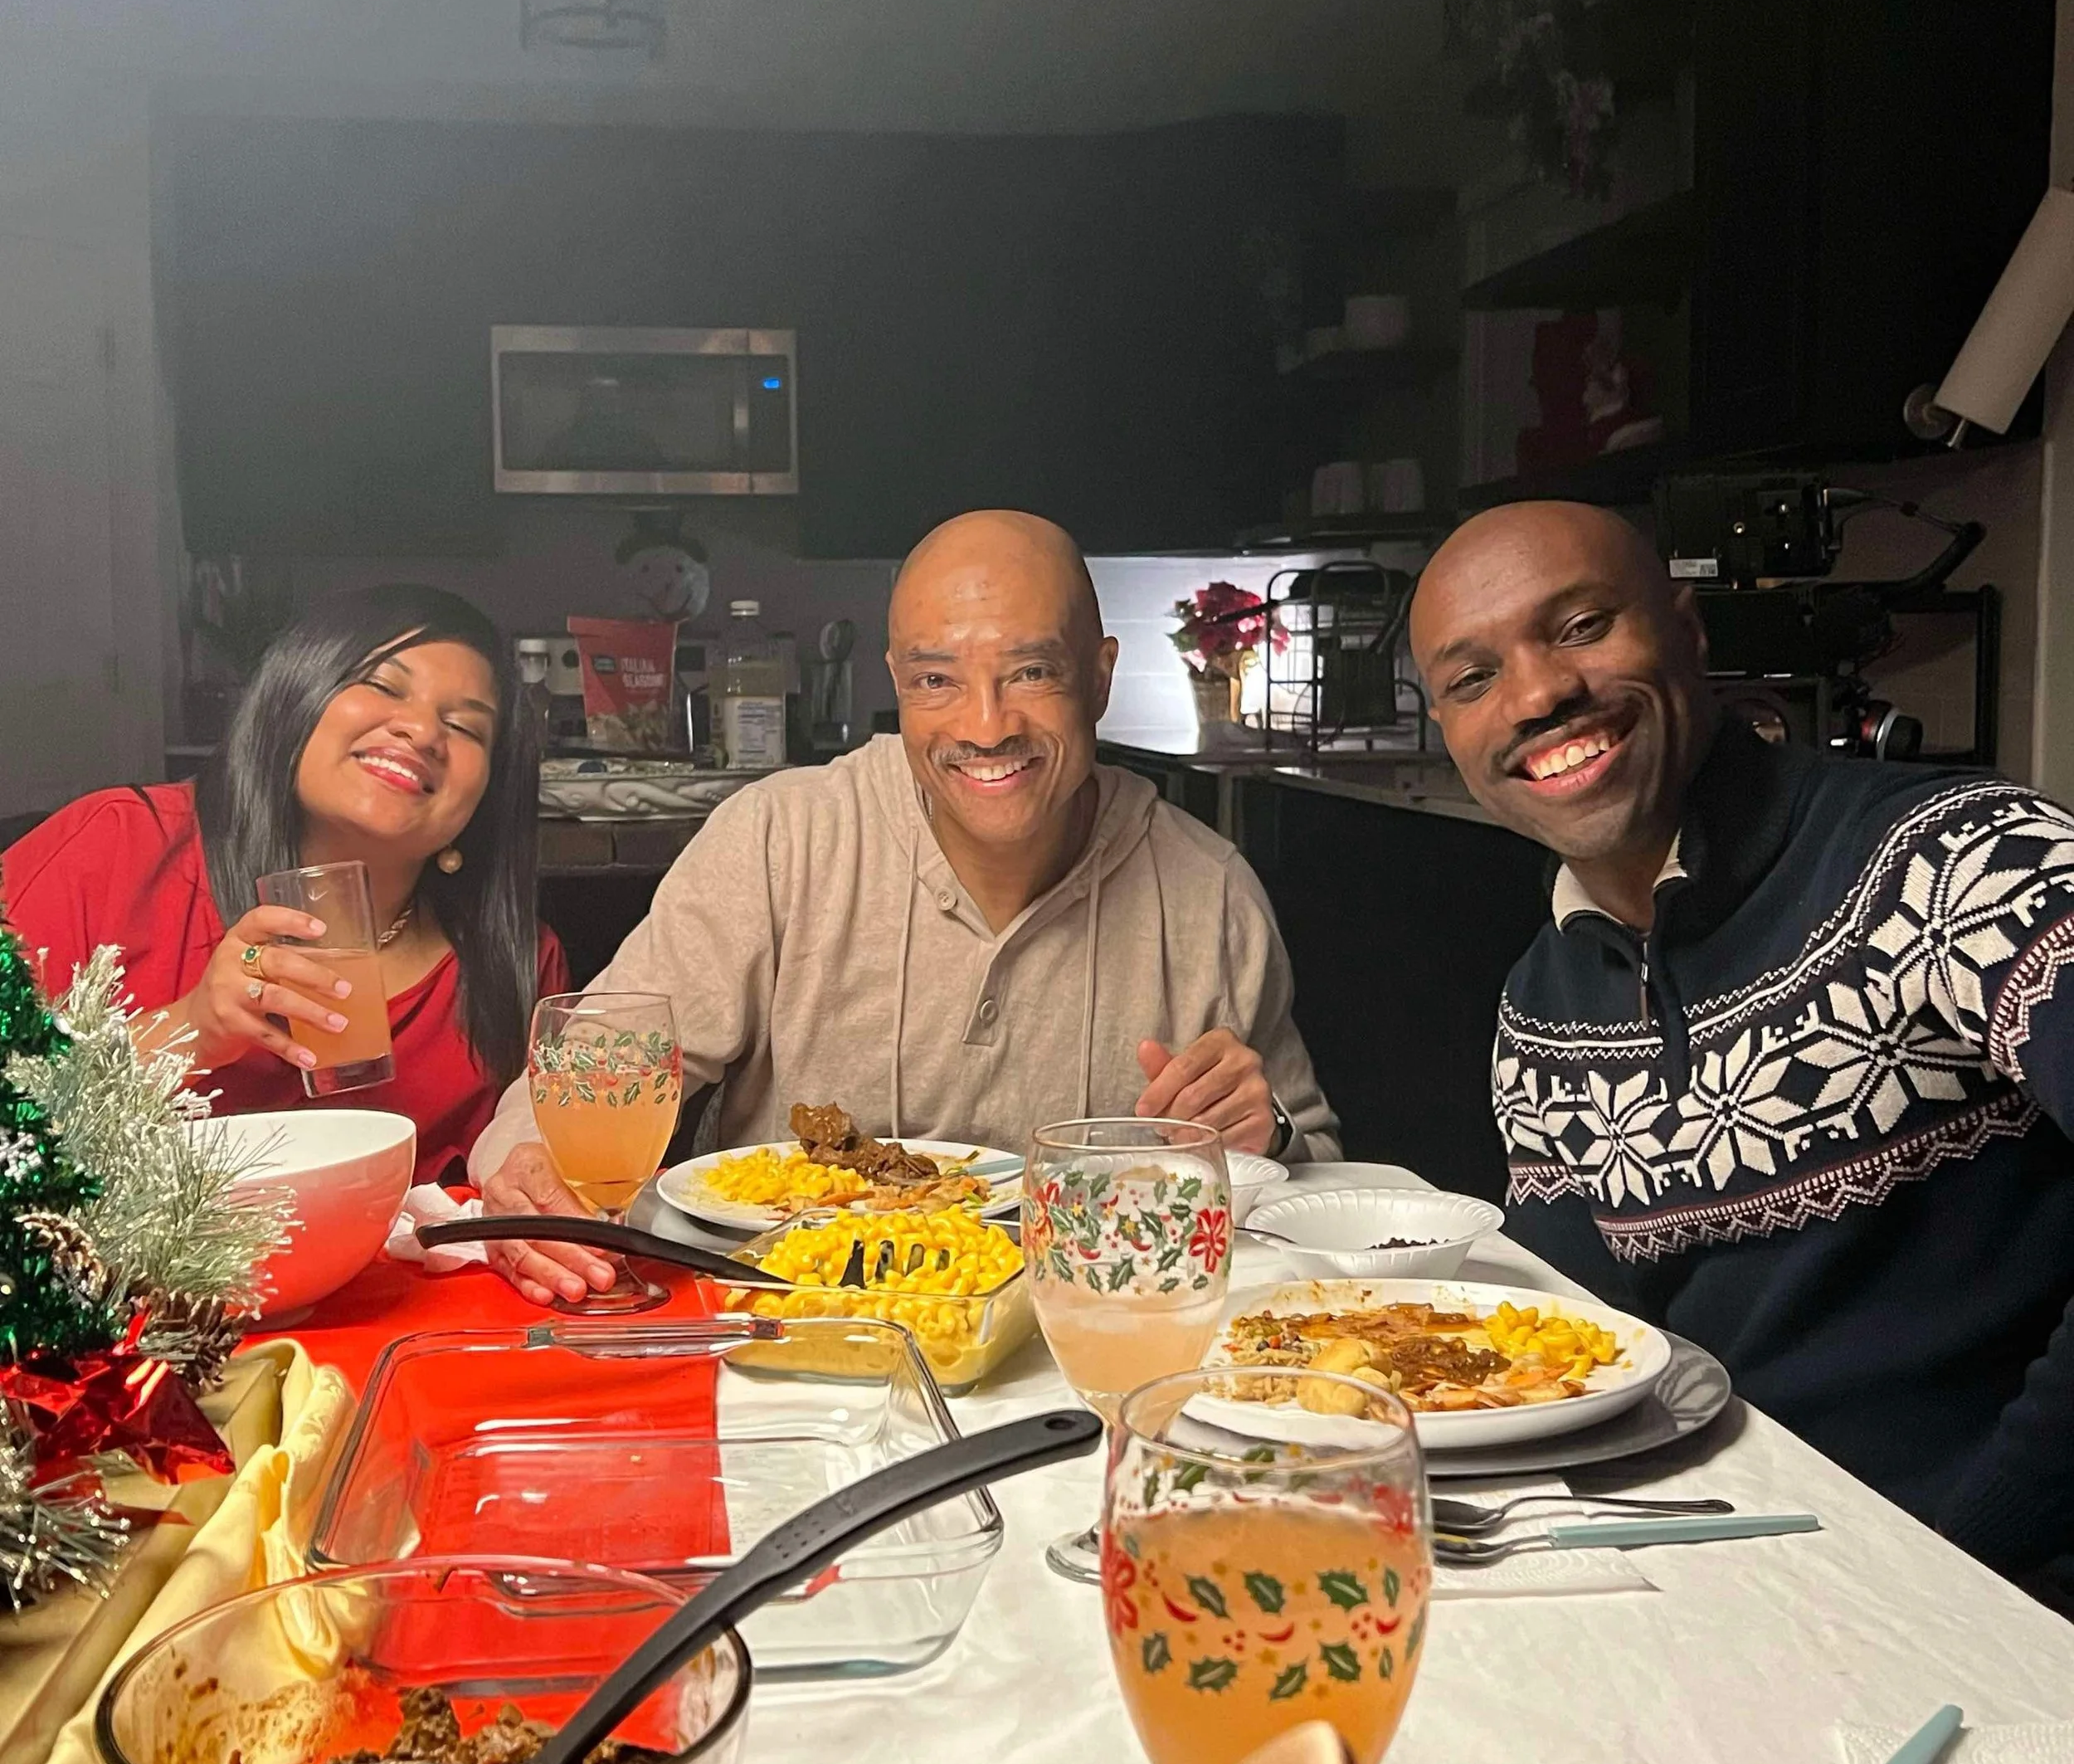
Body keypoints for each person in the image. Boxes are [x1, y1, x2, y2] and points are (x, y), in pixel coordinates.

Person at [1406, 497, 2074, 1580]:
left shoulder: (1958, 861)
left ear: (1687, 630)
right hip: (1740, 1573)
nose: (1539, 694)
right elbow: (1571, 1350)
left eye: (1579, 626)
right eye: (1472, 678)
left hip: (1999, 1613)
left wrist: (1985, 1538)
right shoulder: (1540, 1006)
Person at [475, 508, 1337, 1304]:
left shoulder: (1208, 892)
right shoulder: (780, 839)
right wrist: (526, 1165)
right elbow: (587, 1069)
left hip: (1091, 1342)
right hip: (788, 1334)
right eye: (936, 680)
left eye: (1032, 671)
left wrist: (1271, 1136)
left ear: (1101, 676)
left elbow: (1321, 1176)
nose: (986, 725)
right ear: (895, 681)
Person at [4, 585, 563, 1182]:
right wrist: (188, 1029)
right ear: (296, 695)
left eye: (463, 727)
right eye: (381, 685)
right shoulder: (119, 849)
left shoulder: (517, 967)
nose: (422, 733)